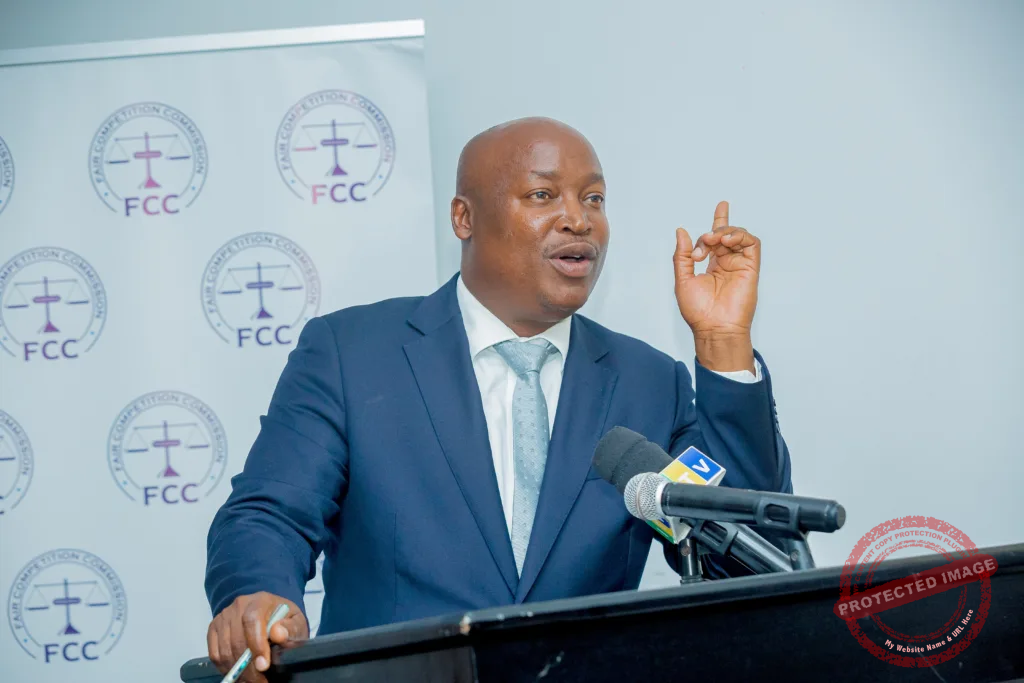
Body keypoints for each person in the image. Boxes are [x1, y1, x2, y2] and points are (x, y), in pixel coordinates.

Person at [204, 117, 792, 681]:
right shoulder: (353, 354)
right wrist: (260, 596)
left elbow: (744, 557)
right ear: (464, 217)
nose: (578, 220)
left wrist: (723, 342)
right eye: (542, 195)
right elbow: (270, 513)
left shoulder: (648, 382)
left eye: (593, 199)